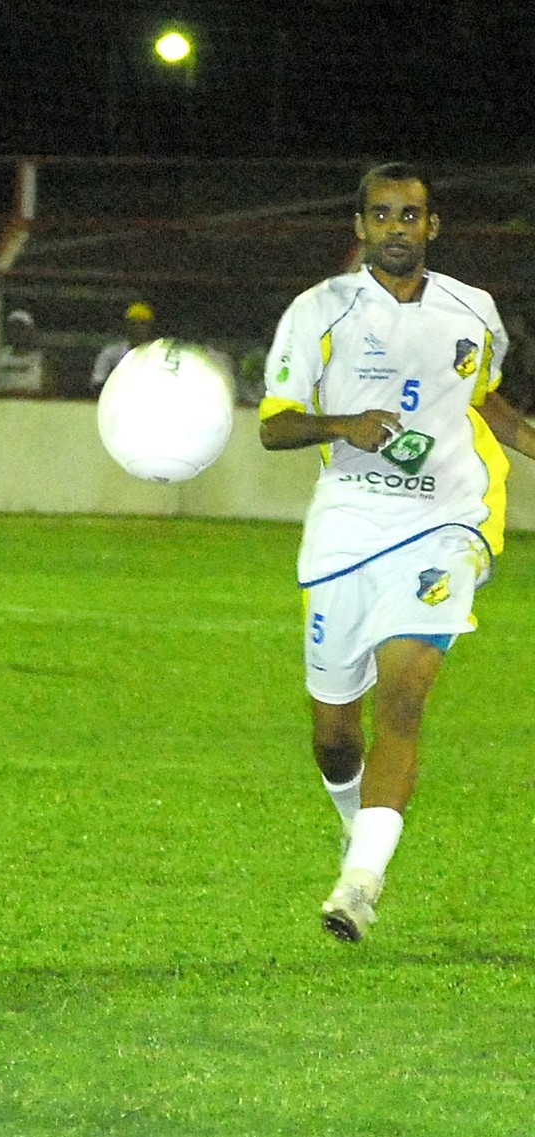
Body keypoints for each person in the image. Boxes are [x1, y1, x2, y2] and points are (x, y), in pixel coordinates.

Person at [260, 161, 535, 943]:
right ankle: (357, 826)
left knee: (406, 695)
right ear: (359, 227)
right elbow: (274, 423)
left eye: (409, 215)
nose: (396, 229)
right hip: (348, 529)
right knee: (333, 736)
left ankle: (359, 883)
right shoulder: (318, 312)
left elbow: (484, 400)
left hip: (448, 522)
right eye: (381, 216)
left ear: (432, 226)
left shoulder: (473, 311)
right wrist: (342, 423)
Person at [90, 300, 156, 393]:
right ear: (126, 326)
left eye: (143, 323)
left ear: (150, 327)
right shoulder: (110, 353)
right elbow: (97, 383)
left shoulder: (157, 354)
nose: (138, 328)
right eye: (133, 323)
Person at [0, 308, 51, 396]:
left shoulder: (40, 360)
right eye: (13, 327)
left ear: (30, 331)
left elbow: (48, 391)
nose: (17, 332)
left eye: (22, 328)